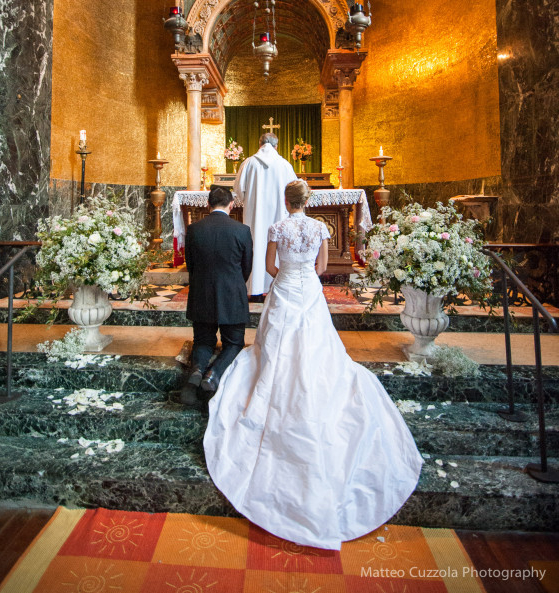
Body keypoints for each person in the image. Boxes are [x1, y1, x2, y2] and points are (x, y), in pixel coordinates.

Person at [204, 179, 423, 550]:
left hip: (285, 288)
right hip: (309, 289)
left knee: (275, 344)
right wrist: (304, 274)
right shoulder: (321, 228)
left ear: (285, 200)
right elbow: (322, 267)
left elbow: (270, 266)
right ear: (308, 201)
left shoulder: (277, 227)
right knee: (317, 343)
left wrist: (287, 276)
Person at [179, 185, 253, 405]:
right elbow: (246, 267)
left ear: (207, 204)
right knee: (234, 343)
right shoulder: (242, 230)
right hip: (232, 295)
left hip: (201, 293)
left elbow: (190, 264)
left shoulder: (194, 229)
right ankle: (214, 374)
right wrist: (234, 284)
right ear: (231, 204)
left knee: (203, 341)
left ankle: (197, 370)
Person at [233, 132, 297, 300]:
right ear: (276, 146)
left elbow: (238, 190)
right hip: (280, 215)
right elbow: (294, 191)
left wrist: (249, 201)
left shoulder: (249, 163)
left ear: (259, 144)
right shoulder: (284, 165)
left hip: (254, 215)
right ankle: (278, 288)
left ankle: (255, 289)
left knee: (256, 244)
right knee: (278, 246)